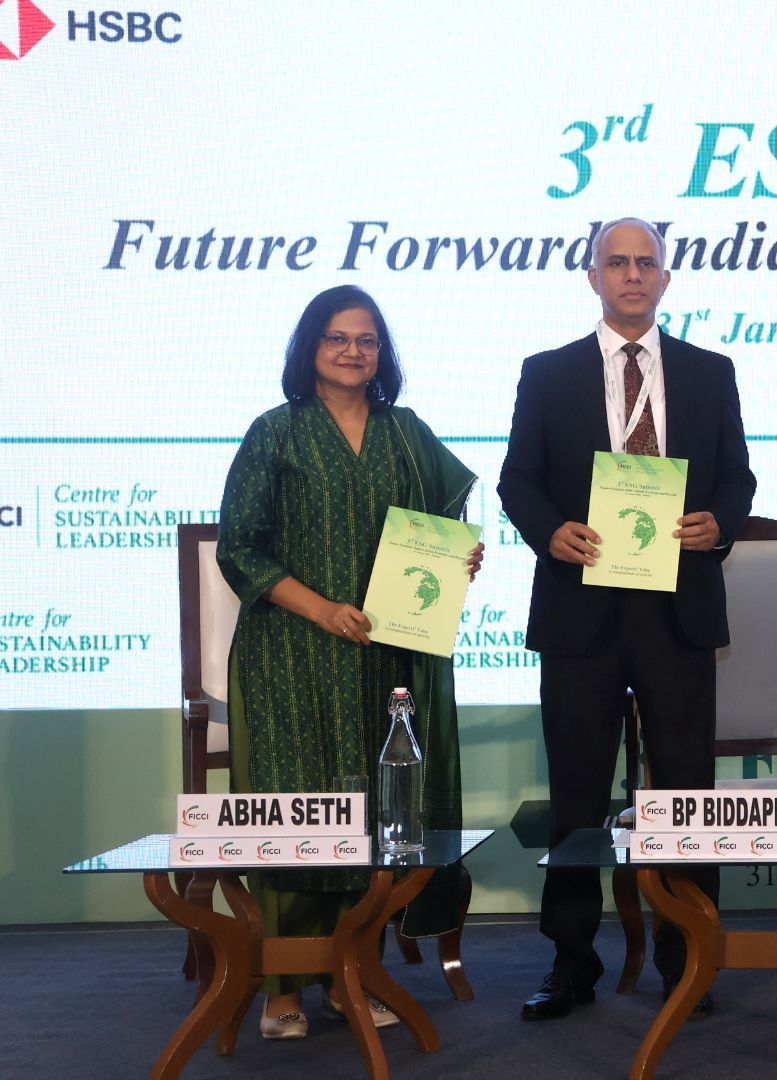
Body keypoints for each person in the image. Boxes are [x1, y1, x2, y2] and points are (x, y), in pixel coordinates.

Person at [500, 216, 755, 1021]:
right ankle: (572, 962)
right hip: (583, 612)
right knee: (578, 796)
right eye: (618, 262)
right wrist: (550, 532)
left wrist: (721, 522)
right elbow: (519, 481)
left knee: (685, 797)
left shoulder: (711, 372)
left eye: (647, 263)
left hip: (677, 610)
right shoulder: (547, 373)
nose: (634, 275)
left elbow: (741, 481)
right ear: (593, 276)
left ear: (667, 279)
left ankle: (690, 958)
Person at [217, 284, 482, 1039]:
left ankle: (353, 975)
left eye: (366, 340)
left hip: (385, 658)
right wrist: (323, 608)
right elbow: (241, 550)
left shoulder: (408, 434)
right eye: (336, 338)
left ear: (381, 354)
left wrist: (460, 560)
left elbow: (446, 523)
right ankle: (283, 989)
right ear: (309, 348)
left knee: (376, 815)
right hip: (292, 655)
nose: (353, 351)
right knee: (302, 812)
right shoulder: (274, 433)